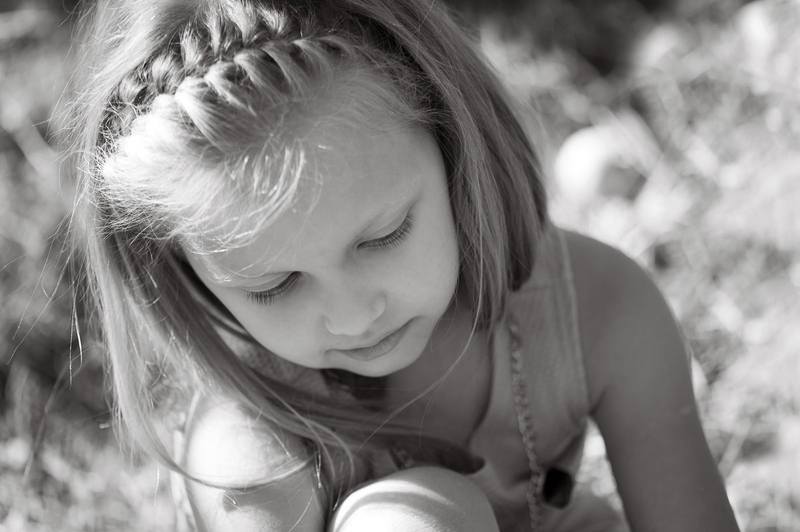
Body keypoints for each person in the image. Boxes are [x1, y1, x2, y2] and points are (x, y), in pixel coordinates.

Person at [62, 0, 741, 530]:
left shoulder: (597, 310)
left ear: (453, 145)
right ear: (187, 277)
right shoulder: (247, 451)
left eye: (384, 236)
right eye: (274, 285)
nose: (354, 315)